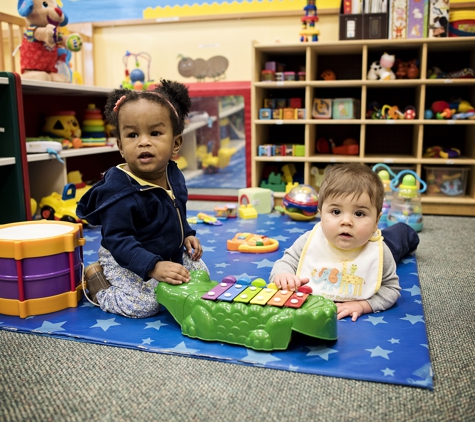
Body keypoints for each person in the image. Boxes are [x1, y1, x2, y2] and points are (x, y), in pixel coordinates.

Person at [77, 80, 209, 318]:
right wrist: (153, 267)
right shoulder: (119, 191)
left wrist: (187, 233)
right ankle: (98, 281)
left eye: (155, 133)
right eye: (132, 135)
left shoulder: (173, 174)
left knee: (200, 276)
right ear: (120, 146)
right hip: (125, 256)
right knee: (145, 306)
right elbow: (119, 240)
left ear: (176, 142)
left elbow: (177, 209)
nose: (143, 141)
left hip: (167, 249)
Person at [270, 163, 419, 322]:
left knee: (399, 237)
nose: (346, 221)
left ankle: (406, 231)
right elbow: (287, 261)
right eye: (336, 212)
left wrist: (363, 305)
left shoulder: (380, 251)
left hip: (370, 243)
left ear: (376, 220)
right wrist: (283, 274)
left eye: (359, 213)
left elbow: (391, 288)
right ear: (321, 215)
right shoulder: (311, 240)